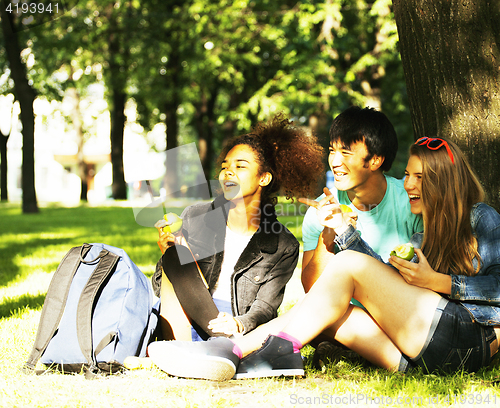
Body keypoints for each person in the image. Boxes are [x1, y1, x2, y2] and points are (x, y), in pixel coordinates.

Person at [146, 137, 500, 381]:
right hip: (418, 356)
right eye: (407, 175)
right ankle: (245, 354)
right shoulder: (423, 235)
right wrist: (344, 233)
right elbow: (379, 284)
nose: (407, 184)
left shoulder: (480, 219)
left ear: (446, 182)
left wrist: (437, 282)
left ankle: (245, 351)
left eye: (419, 178)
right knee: (330, 310)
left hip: (466, 342)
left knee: (345, 269)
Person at [151, 113, 324, 342]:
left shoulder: (283, 245)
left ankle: (219, 346)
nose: (228, 172)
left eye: (240, 166)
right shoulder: (195, 217)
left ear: (264, 178)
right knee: (175, 256)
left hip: (237, 329)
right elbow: (161, 287)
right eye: (225, 166)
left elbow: (265, 308)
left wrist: (237, 323)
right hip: (187, 318)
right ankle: (211, 346)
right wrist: (169, 255)